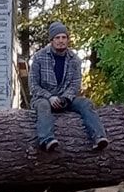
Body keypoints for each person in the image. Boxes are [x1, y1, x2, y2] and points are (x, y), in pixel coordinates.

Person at [29, 22, 108, 152]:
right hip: (43, 98)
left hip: (65, 99)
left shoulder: (74, 60)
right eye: (57, 38)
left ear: (68, 39)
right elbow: (33, 86)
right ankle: (46, 140)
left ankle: (99, 137)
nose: (61, 41)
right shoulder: (39, 57)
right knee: (43, 106)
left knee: (85, 103)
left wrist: (65, 98)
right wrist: (50, 97)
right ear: (52, 40)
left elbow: (75, 84)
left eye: (63, 37)